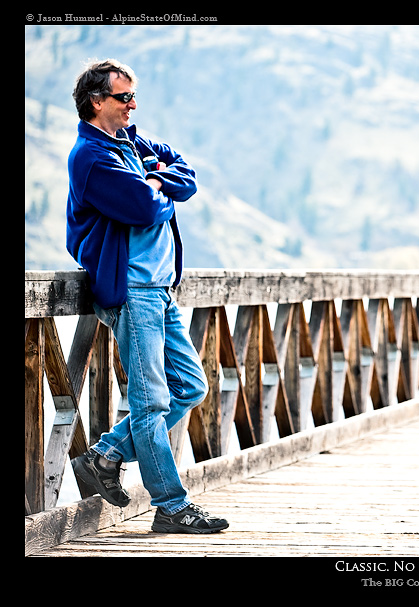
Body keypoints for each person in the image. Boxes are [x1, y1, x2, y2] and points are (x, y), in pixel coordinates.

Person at [66, 59, 228, 534]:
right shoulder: (92, 157)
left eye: (134, 96)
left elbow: (187, 175)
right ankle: (172, 506)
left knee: (190, 387)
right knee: (152, 402)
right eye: (124, 97)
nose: (134, 105)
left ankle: (106, 454)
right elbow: (142, 208)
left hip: (159, 288)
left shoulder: (131, 142)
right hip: (132, 291)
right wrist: (155, 185)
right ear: (97, 102)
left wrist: (158, 179)